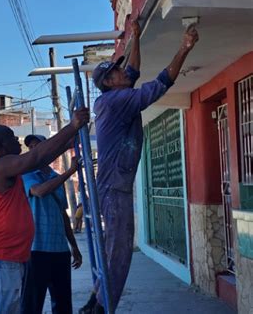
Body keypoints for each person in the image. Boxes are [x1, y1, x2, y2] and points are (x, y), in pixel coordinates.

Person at [82, 20, 199, 314]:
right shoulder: (117, 101)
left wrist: (135, 38)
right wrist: (184, 48)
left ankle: (96, 301)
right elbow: (160, 85)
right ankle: (101, 307)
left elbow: (132, 69)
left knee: (114, 251)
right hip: (114, 188)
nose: (124, 72)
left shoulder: (114, 94)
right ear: (109, 82)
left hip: (113, 185)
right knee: (119, 254)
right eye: (116, 71)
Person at [0, 108, 90, 314]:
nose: (18, 142)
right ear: (0, 146)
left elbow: (41, 159)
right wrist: (72, 126)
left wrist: (69, 140)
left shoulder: (10, 167)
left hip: (11, 258)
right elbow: (36, 158)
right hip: (1, 258)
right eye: (13, 138)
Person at [21, 134, 83, 314]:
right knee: (32, 304)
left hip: (60, 251)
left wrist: (74, 246)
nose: (33, 150)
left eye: (38, 146)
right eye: (30, 147)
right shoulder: (27, 174)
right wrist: (70, 172)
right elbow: (39, 192)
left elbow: (62, 214)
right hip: (35, 249)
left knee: (63, 304)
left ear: (49, 150)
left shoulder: (56, 177)